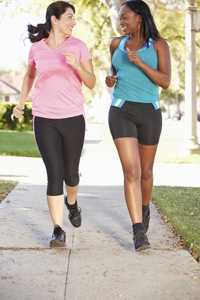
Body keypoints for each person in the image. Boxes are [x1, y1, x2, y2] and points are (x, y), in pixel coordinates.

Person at [12, 1, 96, 248]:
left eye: (74, 17)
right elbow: (29, 76)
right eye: (69, 17)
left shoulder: (78, 46)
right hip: (44, 118)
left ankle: (72, 203)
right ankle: (57, 229)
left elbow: (91, 82)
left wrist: (77, 66)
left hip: (72, 118)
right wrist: (20, 103)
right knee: (54, 173)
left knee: (71, 173)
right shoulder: (37, 49)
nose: (73, 21)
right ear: (55, 20)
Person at [105, 0, 171, 251]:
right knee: (131, 170)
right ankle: (138, 231)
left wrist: (140, 63)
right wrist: (109, 79)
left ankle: (144, 208)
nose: (121, 21)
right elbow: (114, 72)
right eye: (120, 18)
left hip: (149, 112)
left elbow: (165, 81)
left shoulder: (159, 45)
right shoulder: (115, 44)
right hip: (121, 110)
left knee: (145, 172)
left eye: (125, 17)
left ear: (140, 17)